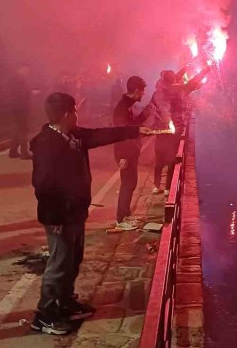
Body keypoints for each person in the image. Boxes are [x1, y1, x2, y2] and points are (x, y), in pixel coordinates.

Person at [29, 92, 152, 335]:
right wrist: (55, 217)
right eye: (75, 111)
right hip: (59, 216)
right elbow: (42, 185)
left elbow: (100, 135)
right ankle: (45, 315)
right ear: (67, 114)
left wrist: (135, 131)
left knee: (73, 259)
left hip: (75, 211)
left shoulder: (72, 135)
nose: (78, 114)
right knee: (59, 264)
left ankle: (65, 302)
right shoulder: (47, 144)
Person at [150, 66, 209, 195]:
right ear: (173, 80)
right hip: (174, 130)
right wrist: (206, 70)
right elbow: (193, 83)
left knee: (159, 158)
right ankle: (167, 189)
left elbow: (152, 109)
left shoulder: (157, 93)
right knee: (171, 158)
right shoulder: (178, 90)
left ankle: (156, 186)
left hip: (160, 129)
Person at [112, 76, 154, 231]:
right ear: (136, 90)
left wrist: (143, 117)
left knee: (132, 183)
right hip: (126, 153)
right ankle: (120, 220)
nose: (143, 94)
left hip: (132, 150)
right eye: (142, 91)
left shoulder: (129, 106)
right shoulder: (122, 108)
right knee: (127, 184)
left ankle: (126, 215)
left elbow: (131, 127)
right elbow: (121, 132)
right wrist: (122, 156)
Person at [8, 65, 37, 159]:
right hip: (20, 107)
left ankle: (13, 151)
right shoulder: (19, 80)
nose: (27, 71)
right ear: (20, 69)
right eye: (26, 69)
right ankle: (24, 152)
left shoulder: (15, 79)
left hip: (16, 107)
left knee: (18, 129)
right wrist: (31, 92)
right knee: (23, 130)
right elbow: (22, 93)